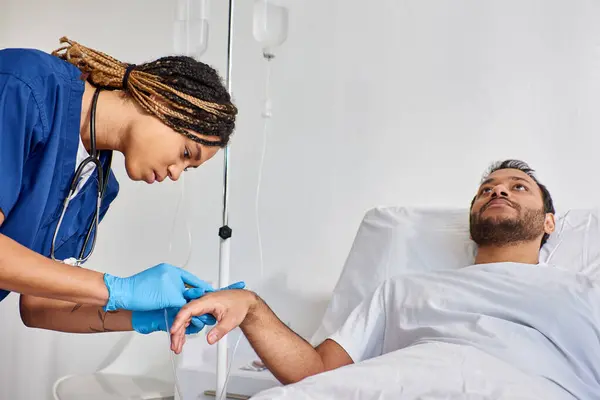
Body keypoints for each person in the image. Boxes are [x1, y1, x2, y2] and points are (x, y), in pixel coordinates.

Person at [170, 159, 600, 399]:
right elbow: (316, 372)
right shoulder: (407, 288)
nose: (498, 191)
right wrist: (252, 308)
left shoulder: (582, 293)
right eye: (487, 188)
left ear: (548, 223)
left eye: (518, 187)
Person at [0, 37, 240, 336]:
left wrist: (147, 315)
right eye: (186, 153)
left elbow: (38, 307)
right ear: (162, 102)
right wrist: (119, 288)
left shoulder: (96, 189)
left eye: (188, 169)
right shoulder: (26, 85)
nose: (177, 174)